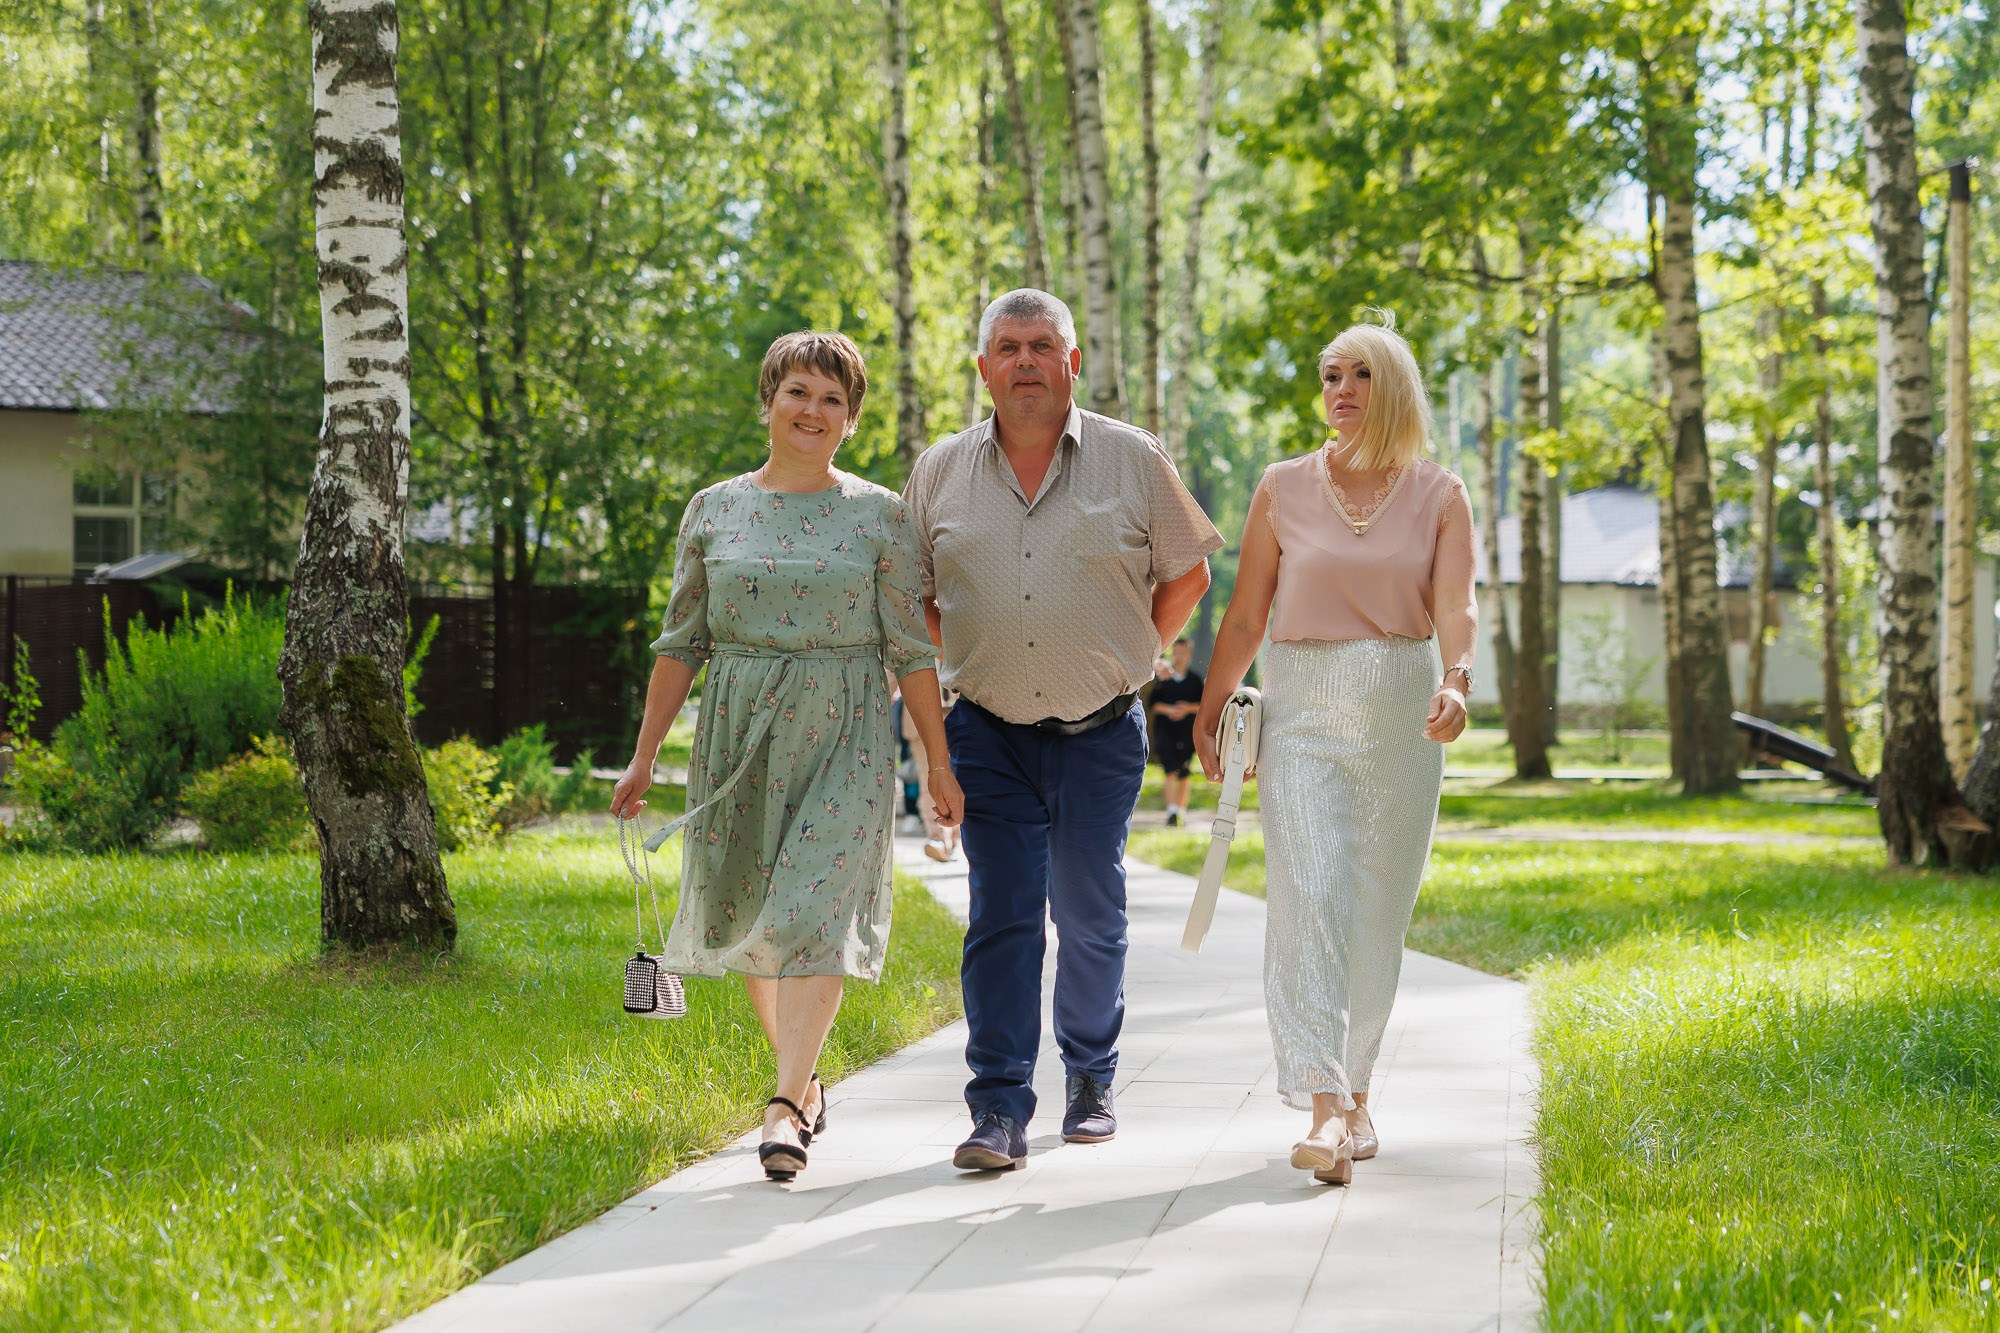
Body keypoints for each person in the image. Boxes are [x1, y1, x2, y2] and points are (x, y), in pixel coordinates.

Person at [611, 331, 962, 1183]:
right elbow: (681, 641)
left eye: (832, 399)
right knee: (753, 916)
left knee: (815, 913)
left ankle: (781, 1107)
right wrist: (643, 756)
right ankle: (802, 1083)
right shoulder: (712, 508)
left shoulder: (882, 514)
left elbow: (912, 648)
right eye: (798, 391)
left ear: (851, 418)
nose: (813, 410)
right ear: (768, 400)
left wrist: (938, 762)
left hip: (846, 728)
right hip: (738, 730)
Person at [905, 288, 1222, 1171]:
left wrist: (1134, 653)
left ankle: (1091, 1077)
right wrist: (961, 660)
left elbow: (1190, 573)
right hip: (988, 730)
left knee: (1088, 911)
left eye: (1043, 345)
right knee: (1002, 917)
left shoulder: (1132, 457)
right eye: (1008, 347)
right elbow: (914, 595)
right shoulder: (939, 470)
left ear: (1073, 362)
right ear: (983, 369)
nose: (1026, 361)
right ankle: (998, 1106)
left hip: (1102, 728)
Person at [1195, 313, 1476, 1186]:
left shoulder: (1440, 493)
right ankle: (1322, 1107)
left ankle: (1356, 1097)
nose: (1341, 390)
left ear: (1394, 389)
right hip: (1304, 711)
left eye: (1360, 374)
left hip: (1401, 714)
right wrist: (1210, 707)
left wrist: (1457, 679)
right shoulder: (1282, 486)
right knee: (1309, 893)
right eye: (1330, 375)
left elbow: (1456, 604)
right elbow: (1248, 611)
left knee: (1376, 912)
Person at [1148, 637, 1204, 826]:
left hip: (1187, 733)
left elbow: (1203, 706)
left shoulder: (1195, 680)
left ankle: (1181, 810)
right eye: (1176, 652)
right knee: (1170, 770)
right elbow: (1154, 705)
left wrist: (1187, 708)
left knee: (1184, 773)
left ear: (1189, 654)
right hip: (1166, 732)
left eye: (1183, 652)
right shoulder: (1163, 679)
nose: (1179, 656)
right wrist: (1170, 710)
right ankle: (1171, 811)